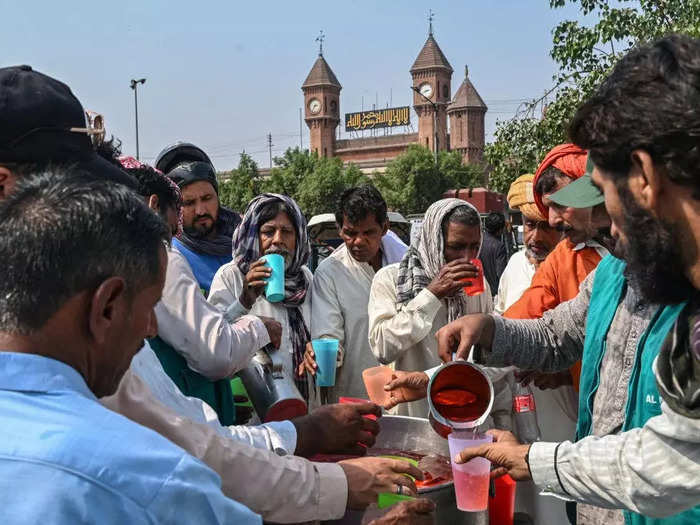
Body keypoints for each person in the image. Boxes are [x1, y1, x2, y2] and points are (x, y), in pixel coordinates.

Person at [0, 65, 426, 524]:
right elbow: (186, 442)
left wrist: (303, 435)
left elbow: (192, 434)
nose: (149, 329)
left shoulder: (69, 351)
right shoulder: (121, 466)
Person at [436, 35, 700, 525]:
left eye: (602, 196)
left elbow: (673, 464)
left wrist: (536, 460)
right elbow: (558, 335)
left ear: (643, 176)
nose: (606, 223)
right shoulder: (625, 273)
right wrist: (490, 330)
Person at [0, 169, 259, 524]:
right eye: (149, 307)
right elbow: (215, 352)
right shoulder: (146, 476)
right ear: (107, 306)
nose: (152, 329)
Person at [149, 156, 279, 425]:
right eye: (188, 203)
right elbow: (210, 346)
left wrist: (243, 301)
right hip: (194, 404)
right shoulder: (171, 257)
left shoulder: (240, 247)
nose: (200, 210)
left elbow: (210, 323)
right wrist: (257, 326)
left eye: (207, 198)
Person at [368, 198, 492, 416]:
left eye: (474, 247)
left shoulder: (478, 286)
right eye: (456, 247)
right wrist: (431, 296)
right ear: (434, 241)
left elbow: (490, 355)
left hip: (466, 417)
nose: (467, 257)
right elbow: (382, 348)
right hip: (412, 416)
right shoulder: (391, 279)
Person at [498, 173, 574, 525]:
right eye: (530, 224)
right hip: (520, 410)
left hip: (567, 412)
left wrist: (564, 369)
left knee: (561, 504)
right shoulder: (513, 266)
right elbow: (502, 328)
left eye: (546, 227)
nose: (536, 236)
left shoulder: (581, 267)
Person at [503, 144, 603, 394]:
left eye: (561, 204)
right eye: (548, 208)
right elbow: (530, 324)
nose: (552, 221)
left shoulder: (644, 255)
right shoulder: (564, 257)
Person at [302, 185, 408, 403]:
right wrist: (321, 352)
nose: (358, 241)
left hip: (404, 391)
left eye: (368, 233)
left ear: (384, 227)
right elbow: (328, 335)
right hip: (355, 398)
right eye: (350, 233)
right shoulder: (330, 273)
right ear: (340, 230)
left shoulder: (407, 266)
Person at [210, 193, 313, 400]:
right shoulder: (231, 276)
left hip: (305, 406)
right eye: (268, 232)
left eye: (286, 232)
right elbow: (212, 342)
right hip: (256, 409)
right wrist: (245, 300)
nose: (278, 240)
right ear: (253, 235)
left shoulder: (305, 279)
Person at [480, 211, 508, 295]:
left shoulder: (477, 240)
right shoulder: (499, 246)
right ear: (500, 229)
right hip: (493, 293)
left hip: (477, 291)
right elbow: (501, 273)